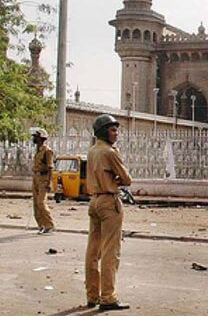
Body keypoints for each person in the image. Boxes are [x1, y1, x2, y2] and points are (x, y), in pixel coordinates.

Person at [84, 114, 132, 311]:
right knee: (110, 251)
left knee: (93, 251)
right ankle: (108, 297)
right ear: (104, 132)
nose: (116, 133)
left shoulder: (92, 151)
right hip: (109, 202)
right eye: (113, 130)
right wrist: (116, 179)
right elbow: (127, 179)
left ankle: (92, 295)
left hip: (94, 201)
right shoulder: (110, 152)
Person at [31, 127, 55, 234]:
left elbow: (50, 168)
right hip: (36, 177)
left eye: (36, 137)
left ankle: (49, 225)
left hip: (43, 178)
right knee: (36, 203)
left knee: (41, 202)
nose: (34, 139)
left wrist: (49, 182)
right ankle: (41, 225)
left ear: (41, 138)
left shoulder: (47, 151)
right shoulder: (37, 151)